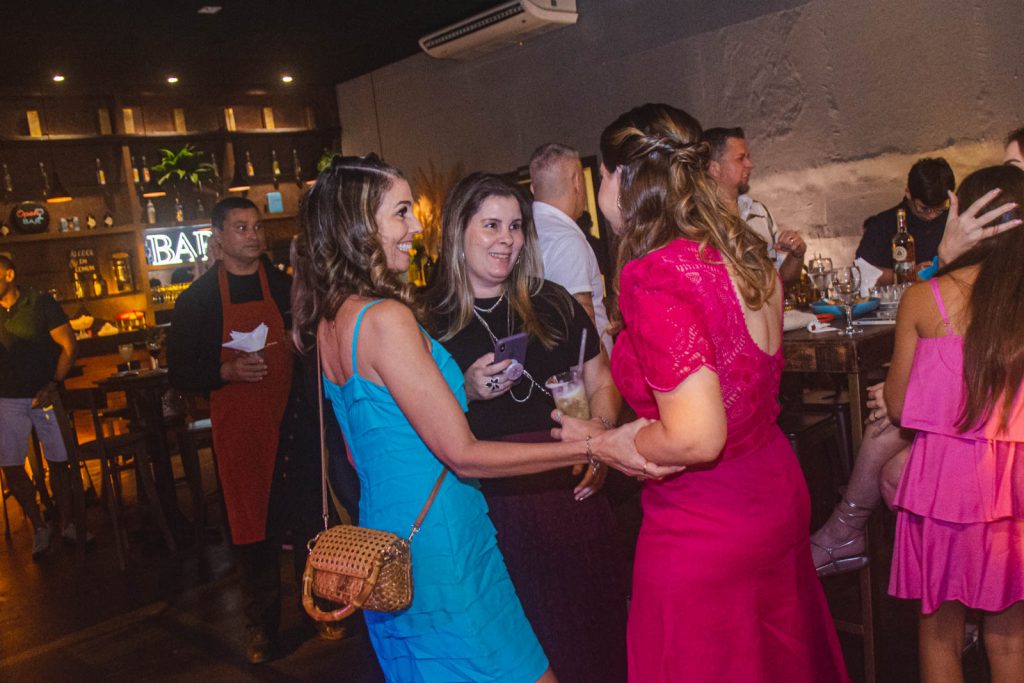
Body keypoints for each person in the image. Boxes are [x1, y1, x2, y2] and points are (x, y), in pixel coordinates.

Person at [291, 154, 671, 683]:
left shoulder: (333, 318)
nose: (415, 225)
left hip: (389, 534)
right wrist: (597, 447)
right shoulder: (387, 318)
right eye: (401, 212)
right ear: (359, 225)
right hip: (441, 538)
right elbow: (462, 452)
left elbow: (368, 444)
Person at [554, 103, 848, 681]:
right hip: (773, 490)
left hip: (706, 520)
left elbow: (696, 436)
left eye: (603, 177)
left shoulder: (657, 272)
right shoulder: (742, 253)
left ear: (626, 179)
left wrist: (614, 443)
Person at [425, 172, 627, 682]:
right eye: (491, 224)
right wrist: (463, 390)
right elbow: (425, 432)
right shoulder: (431, 324)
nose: (506, 239)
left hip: (575, 497)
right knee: (527, 654)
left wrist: (598, 438)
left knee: (599, 641)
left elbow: (603, 380)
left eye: (515, 225)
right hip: (494, 516)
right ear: (458, 232)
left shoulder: (553, 301)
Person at [812, 177, 1024, 576]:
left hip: (1003, 438)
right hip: (984, 417)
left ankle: (849, 528)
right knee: (893, 449)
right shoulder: (970, 280)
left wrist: (910, 393)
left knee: (895, 445)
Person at [884, 165, 1024, 683]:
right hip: (1014, 488)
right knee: (1010, 638)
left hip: (945, 487)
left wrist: (940, 260)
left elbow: (898, 406)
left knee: (940, 633)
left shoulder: (927, 297)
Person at [167, 197, 296, 664]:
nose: (254, 235)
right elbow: (180, 370)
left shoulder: (283, 287)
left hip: (291, 421)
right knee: (252, 530)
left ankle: (324, 607)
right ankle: (261, 628)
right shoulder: (197, 300)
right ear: (217, 238)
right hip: (241, 431)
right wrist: (225, 371)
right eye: (242, 228)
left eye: (257, 227)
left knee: (304, 521)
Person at [0, 255, 78, 556]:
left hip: (45, 394)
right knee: (11, 466)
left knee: (59, 461)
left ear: (9, 274)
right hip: (6, 398)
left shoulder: (40, 302)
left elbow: (69, 346)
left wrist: (53, 384)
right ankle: (40, 527)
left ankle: (69, 523)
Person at [529, 143, 613, 355]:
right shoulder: (566, 239)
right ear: (577, 181)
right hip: (586, 380)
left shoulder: (524, 232)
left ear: (533, 188)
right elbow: (582, 328)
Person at [704, 126, 806, 285]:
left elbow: (783, 279)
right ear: (714, 168)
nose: (749, 164)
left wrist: (797, 254)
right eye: (740, 158)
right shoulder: (699, 220)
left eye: (748, 157)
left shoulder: (758, 211)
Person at [856, 157, 955, 286]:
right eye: (924, 208)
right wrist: (908, 274)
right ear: (908, 193)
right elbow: (861, 272)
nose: (932, 215)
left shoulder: (954, 220)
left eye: (940, 209)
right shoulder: (883, 225)